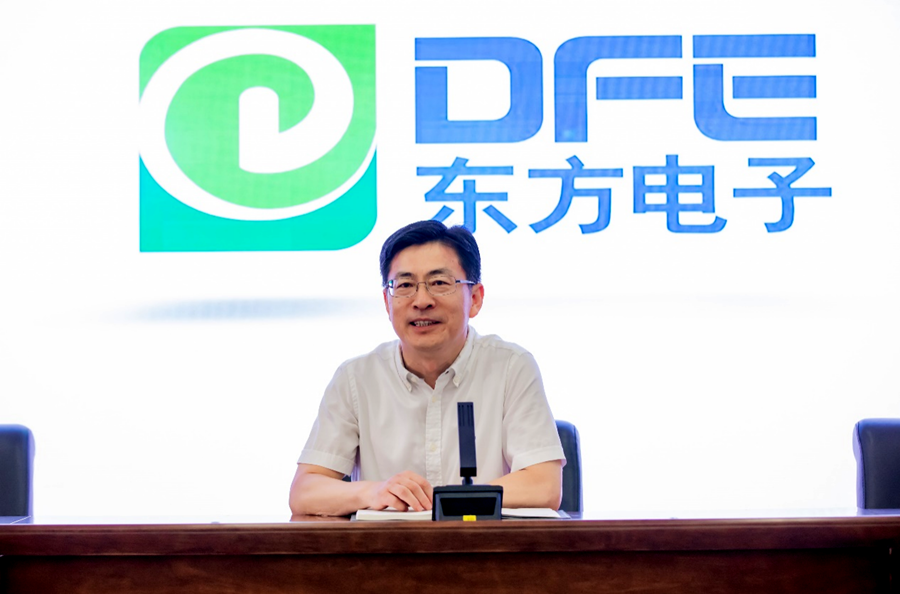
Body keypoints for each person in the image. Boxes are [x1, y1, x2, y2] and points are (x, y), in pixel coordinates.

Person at [289, 220, 564, 516]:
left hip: (484, 544)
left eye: (440, 283)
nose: (421, 301)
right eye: (405, 285)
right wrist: (375, 491)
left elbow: (544, 486)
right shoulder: (356, 378)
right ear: (387, 302)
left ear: (475, 299)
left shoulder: (511, 367)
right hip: (387, 545)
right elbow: (305, 492)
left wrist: (447, 500)